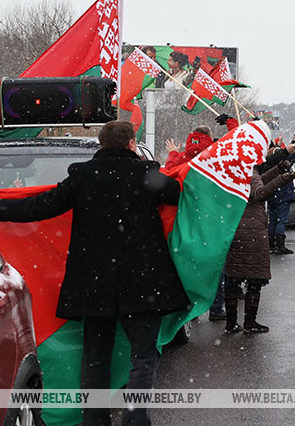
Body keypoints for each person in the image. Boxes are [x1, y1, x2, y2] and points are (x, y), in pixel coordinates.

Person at [0, 121, 188, 426]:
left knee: (95, 359)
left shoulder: (82, 175)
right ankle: (135, 419)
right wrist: (152, 166)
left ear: (101, 145)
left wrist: (2, 208)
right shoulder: (146, 175)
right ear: (131, 144)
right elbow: (177, 192)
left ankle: (95, 420)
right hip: (143, 283)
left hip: (94, 284)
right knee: (143, 355)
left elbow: (38, 208)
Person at [164, 114, 238, 321]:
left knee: (186, 269)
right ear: (210, 138)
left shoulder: (180, 159)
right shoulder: (215, 157)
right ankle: (216, 308)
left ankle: (190, 311)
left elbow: (168, 175)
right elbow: (238, 141)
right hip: (211, 222)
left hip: (184, 224)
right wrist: (231, 122)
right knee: (215, 266)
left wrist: (172, 154)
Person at [224, 159, 295, 334]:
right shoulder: (250, 170)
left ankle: (231, 323)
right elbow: (259, 192)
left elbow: (258, 181)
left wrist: (278, 169)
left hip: (234, 227)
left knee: (233, 279)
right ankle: (250, 322)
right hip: (252, 232)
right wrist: (283, 178)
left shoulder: (234, 170)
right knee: (254, 280)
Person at [265, 138, 295, 255]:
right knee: (281, 221)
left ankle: (272, 245)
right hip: (283, 197)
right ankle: (280, 245)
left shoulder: (267, 166)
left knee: (273, 221)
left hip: (271, 196)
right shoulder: (284, 164)